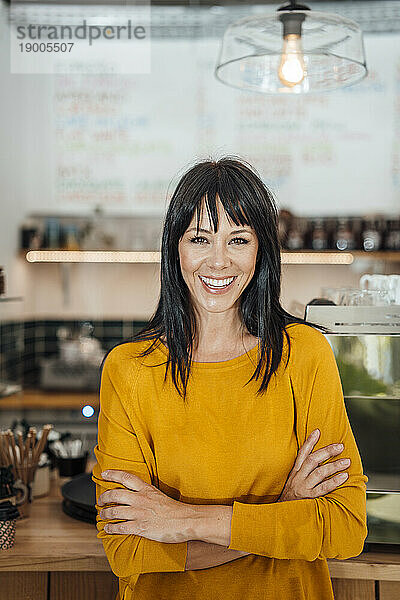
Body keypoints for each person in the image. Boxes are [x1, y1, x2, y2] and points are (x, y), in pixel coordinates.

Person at [92, 157, 368, 600]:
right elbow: (128, 550)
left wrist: (183, 521)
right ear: (175, 248)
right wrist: (283, 513)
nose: (218, 262)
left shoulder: (305, 355)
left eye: (238, 239)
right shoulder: (129, 370)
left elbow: (345, 527)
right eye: (200, 238)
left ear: (261, 251)